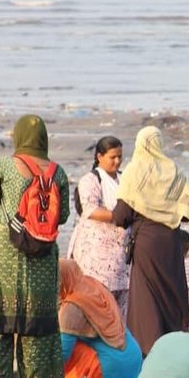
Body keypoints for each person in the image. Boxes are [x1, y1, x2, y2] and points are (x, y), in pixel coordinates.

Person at [0, 115, 70, 378]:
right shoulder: (58, 172)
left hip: (6, 254)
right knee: (36, 326)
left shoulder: (4, 166)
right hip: (42, 258)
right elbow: (62, 216)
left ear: (19, 137)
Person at [111, 126, 189, 356]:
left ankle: (149, 353)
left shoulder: (134, 171)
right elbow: (188, 211)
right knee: (174, 296)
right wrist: (165, 213)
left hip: (146, 245)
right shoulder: (173, 171)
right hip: (171, 244)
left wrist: (143, 212)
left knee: (146, 299)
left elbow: (120, 215)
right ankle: (179, 349)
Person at [58, 259, 142, 378]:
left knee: (60, 346)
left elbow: (60, 356)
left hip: (113, 369)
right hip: (134, 361)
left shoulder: (72, 308)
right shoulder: (94, 286)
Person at [68, 135, 129, 318]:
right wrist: (117, 216)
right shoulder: (91, 180)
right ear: (99, 156)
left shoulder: (123, 179)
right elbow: (90, 210)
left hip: (119, 256)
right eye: (112, 157)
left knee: (118, 309)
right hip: (95, 255)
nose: (117, 161)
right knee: (96, 304)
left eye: (120, 156)